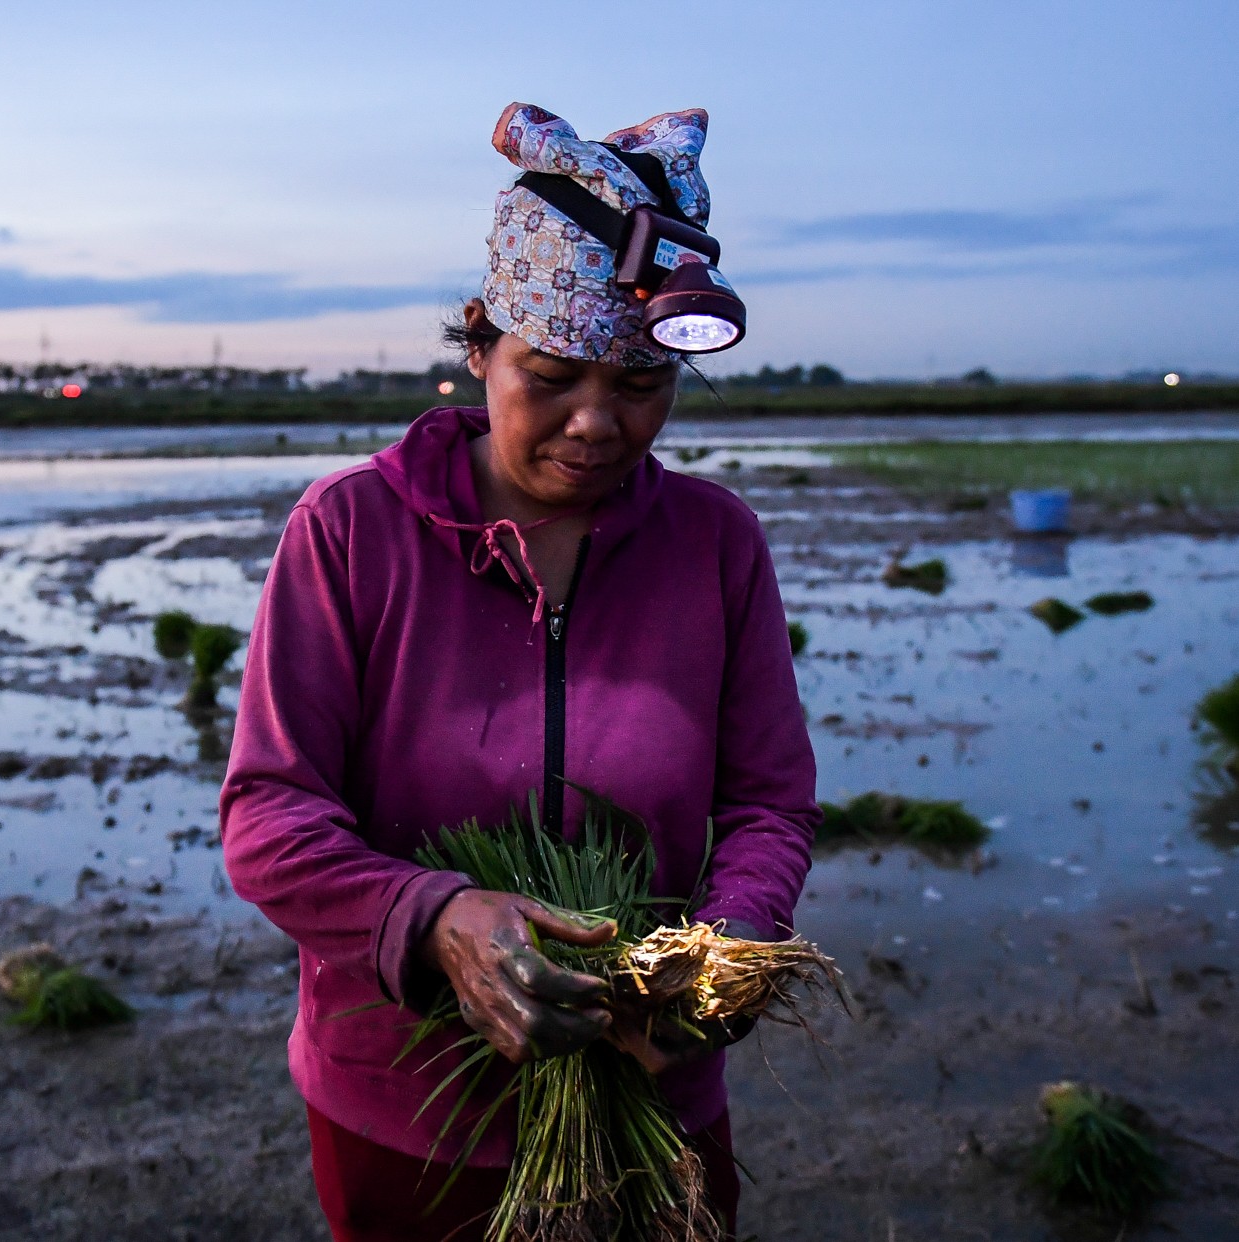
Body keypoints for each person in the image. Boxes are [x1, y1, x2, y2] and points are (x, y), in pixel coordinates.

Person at [219, 102, 817, 1242]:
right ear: (481, 347)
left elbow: (765, 802)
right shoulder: (350, 533)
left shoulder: (715, 544)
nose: (597, 422)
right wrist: (433, 916)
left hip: (655, 1095)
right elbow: (268, 817)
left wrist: (717, 958)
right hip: (408, 1109)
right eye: (550, 374)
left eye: (641, 386)